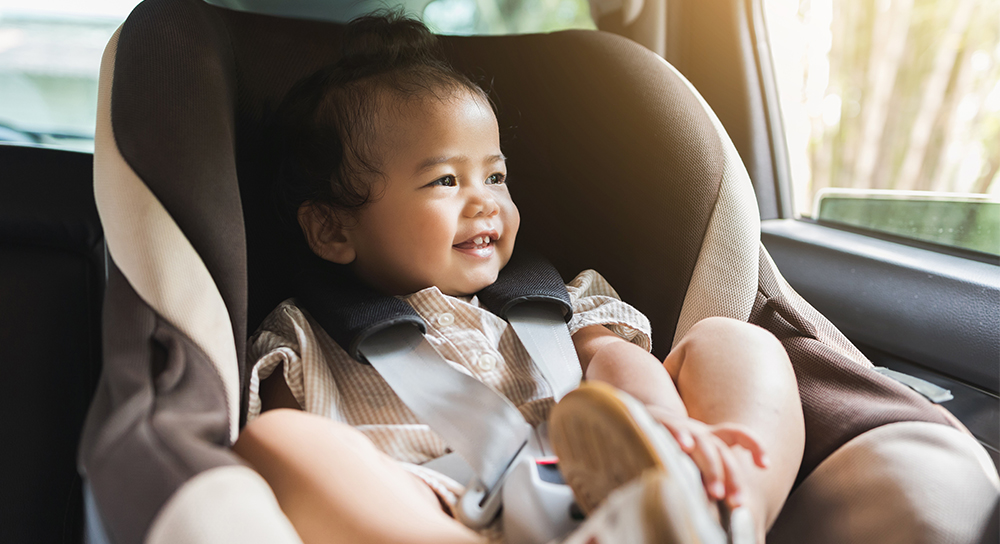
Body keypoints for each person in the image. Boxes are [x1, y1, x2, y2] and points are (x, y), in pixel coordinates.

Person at [232, 11, 805, 544]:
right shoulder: (304, 338)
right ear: (333, 230)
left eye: (496, 175)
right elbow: (310, 455)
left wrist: (658, 423)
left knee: (735, 341)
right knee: (275, 440)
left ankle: (726, 511)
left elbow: (612, 358)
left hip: (612, 474)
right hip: (443, 505)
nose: (486, 203)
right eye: (445, 182)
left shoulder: (557, 299)